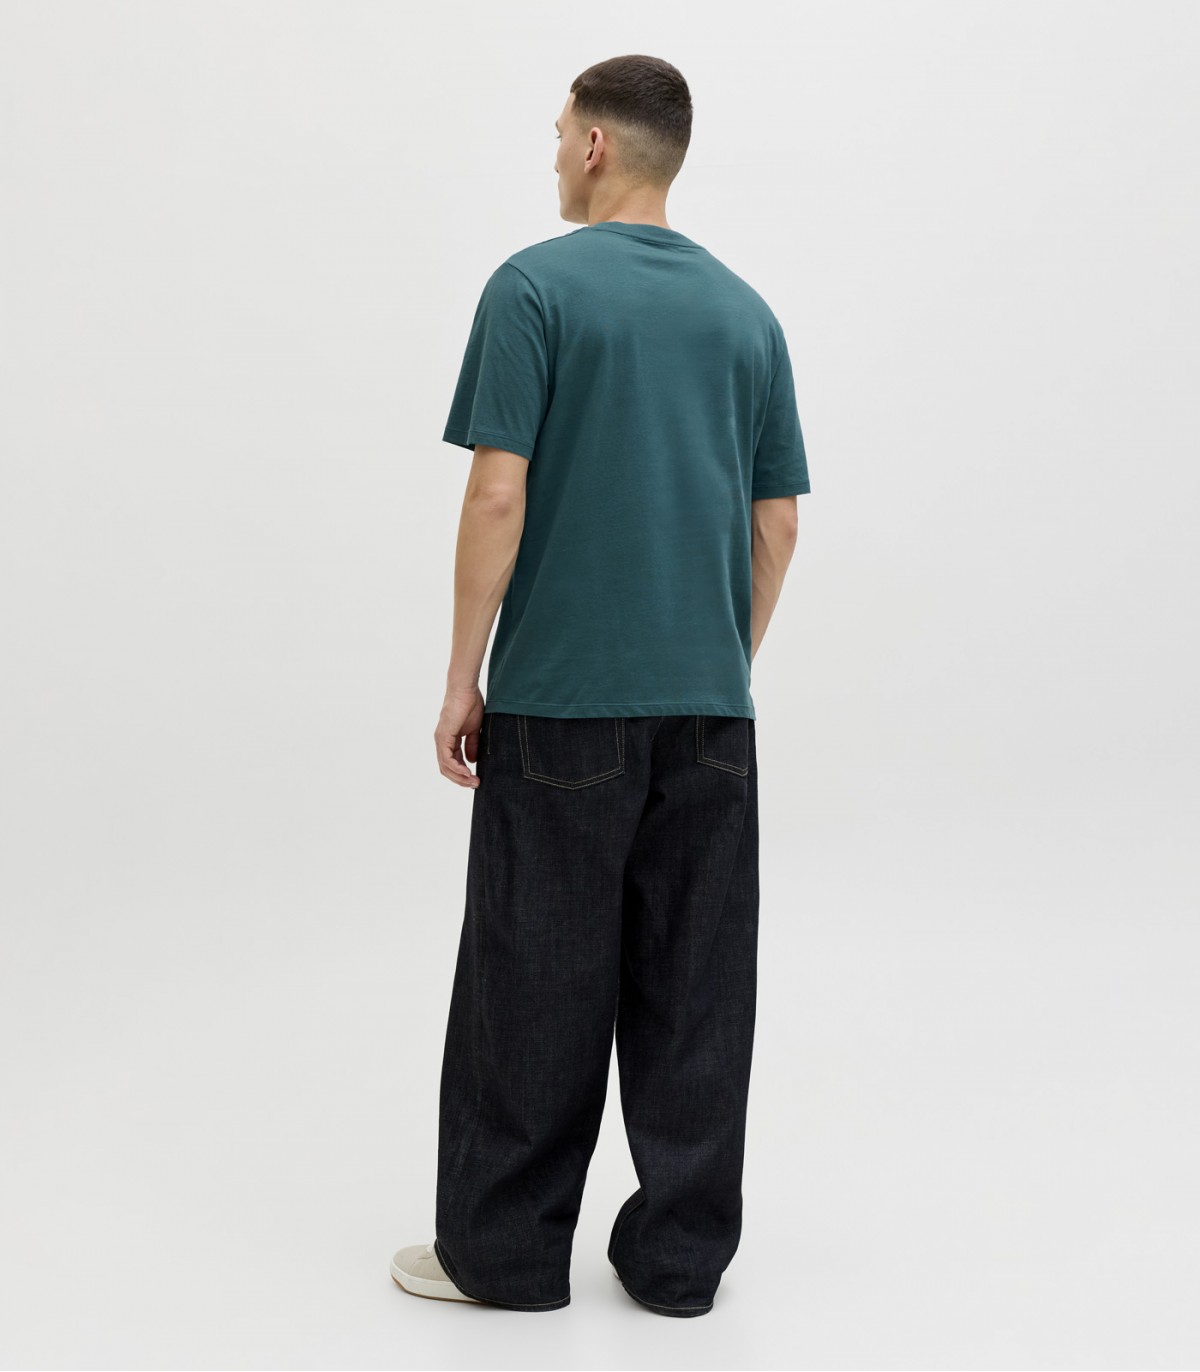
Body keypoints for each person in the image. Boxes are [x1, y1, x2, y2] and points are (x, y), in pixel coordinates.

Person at [391, 52, 810, 1317]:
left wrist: (462, 677)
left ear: (592, 146)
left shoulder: (533, 287)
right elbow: (778, 522)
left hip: (562, 702)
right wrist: (719, 660)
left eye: (558, 131)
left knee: (533, 978)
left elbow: (497, 493)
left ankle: (506, 1257)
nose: (554, 155)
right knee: (697, 989)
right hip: (711, 711)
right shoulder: (747, 315)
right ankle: (679, 1264)